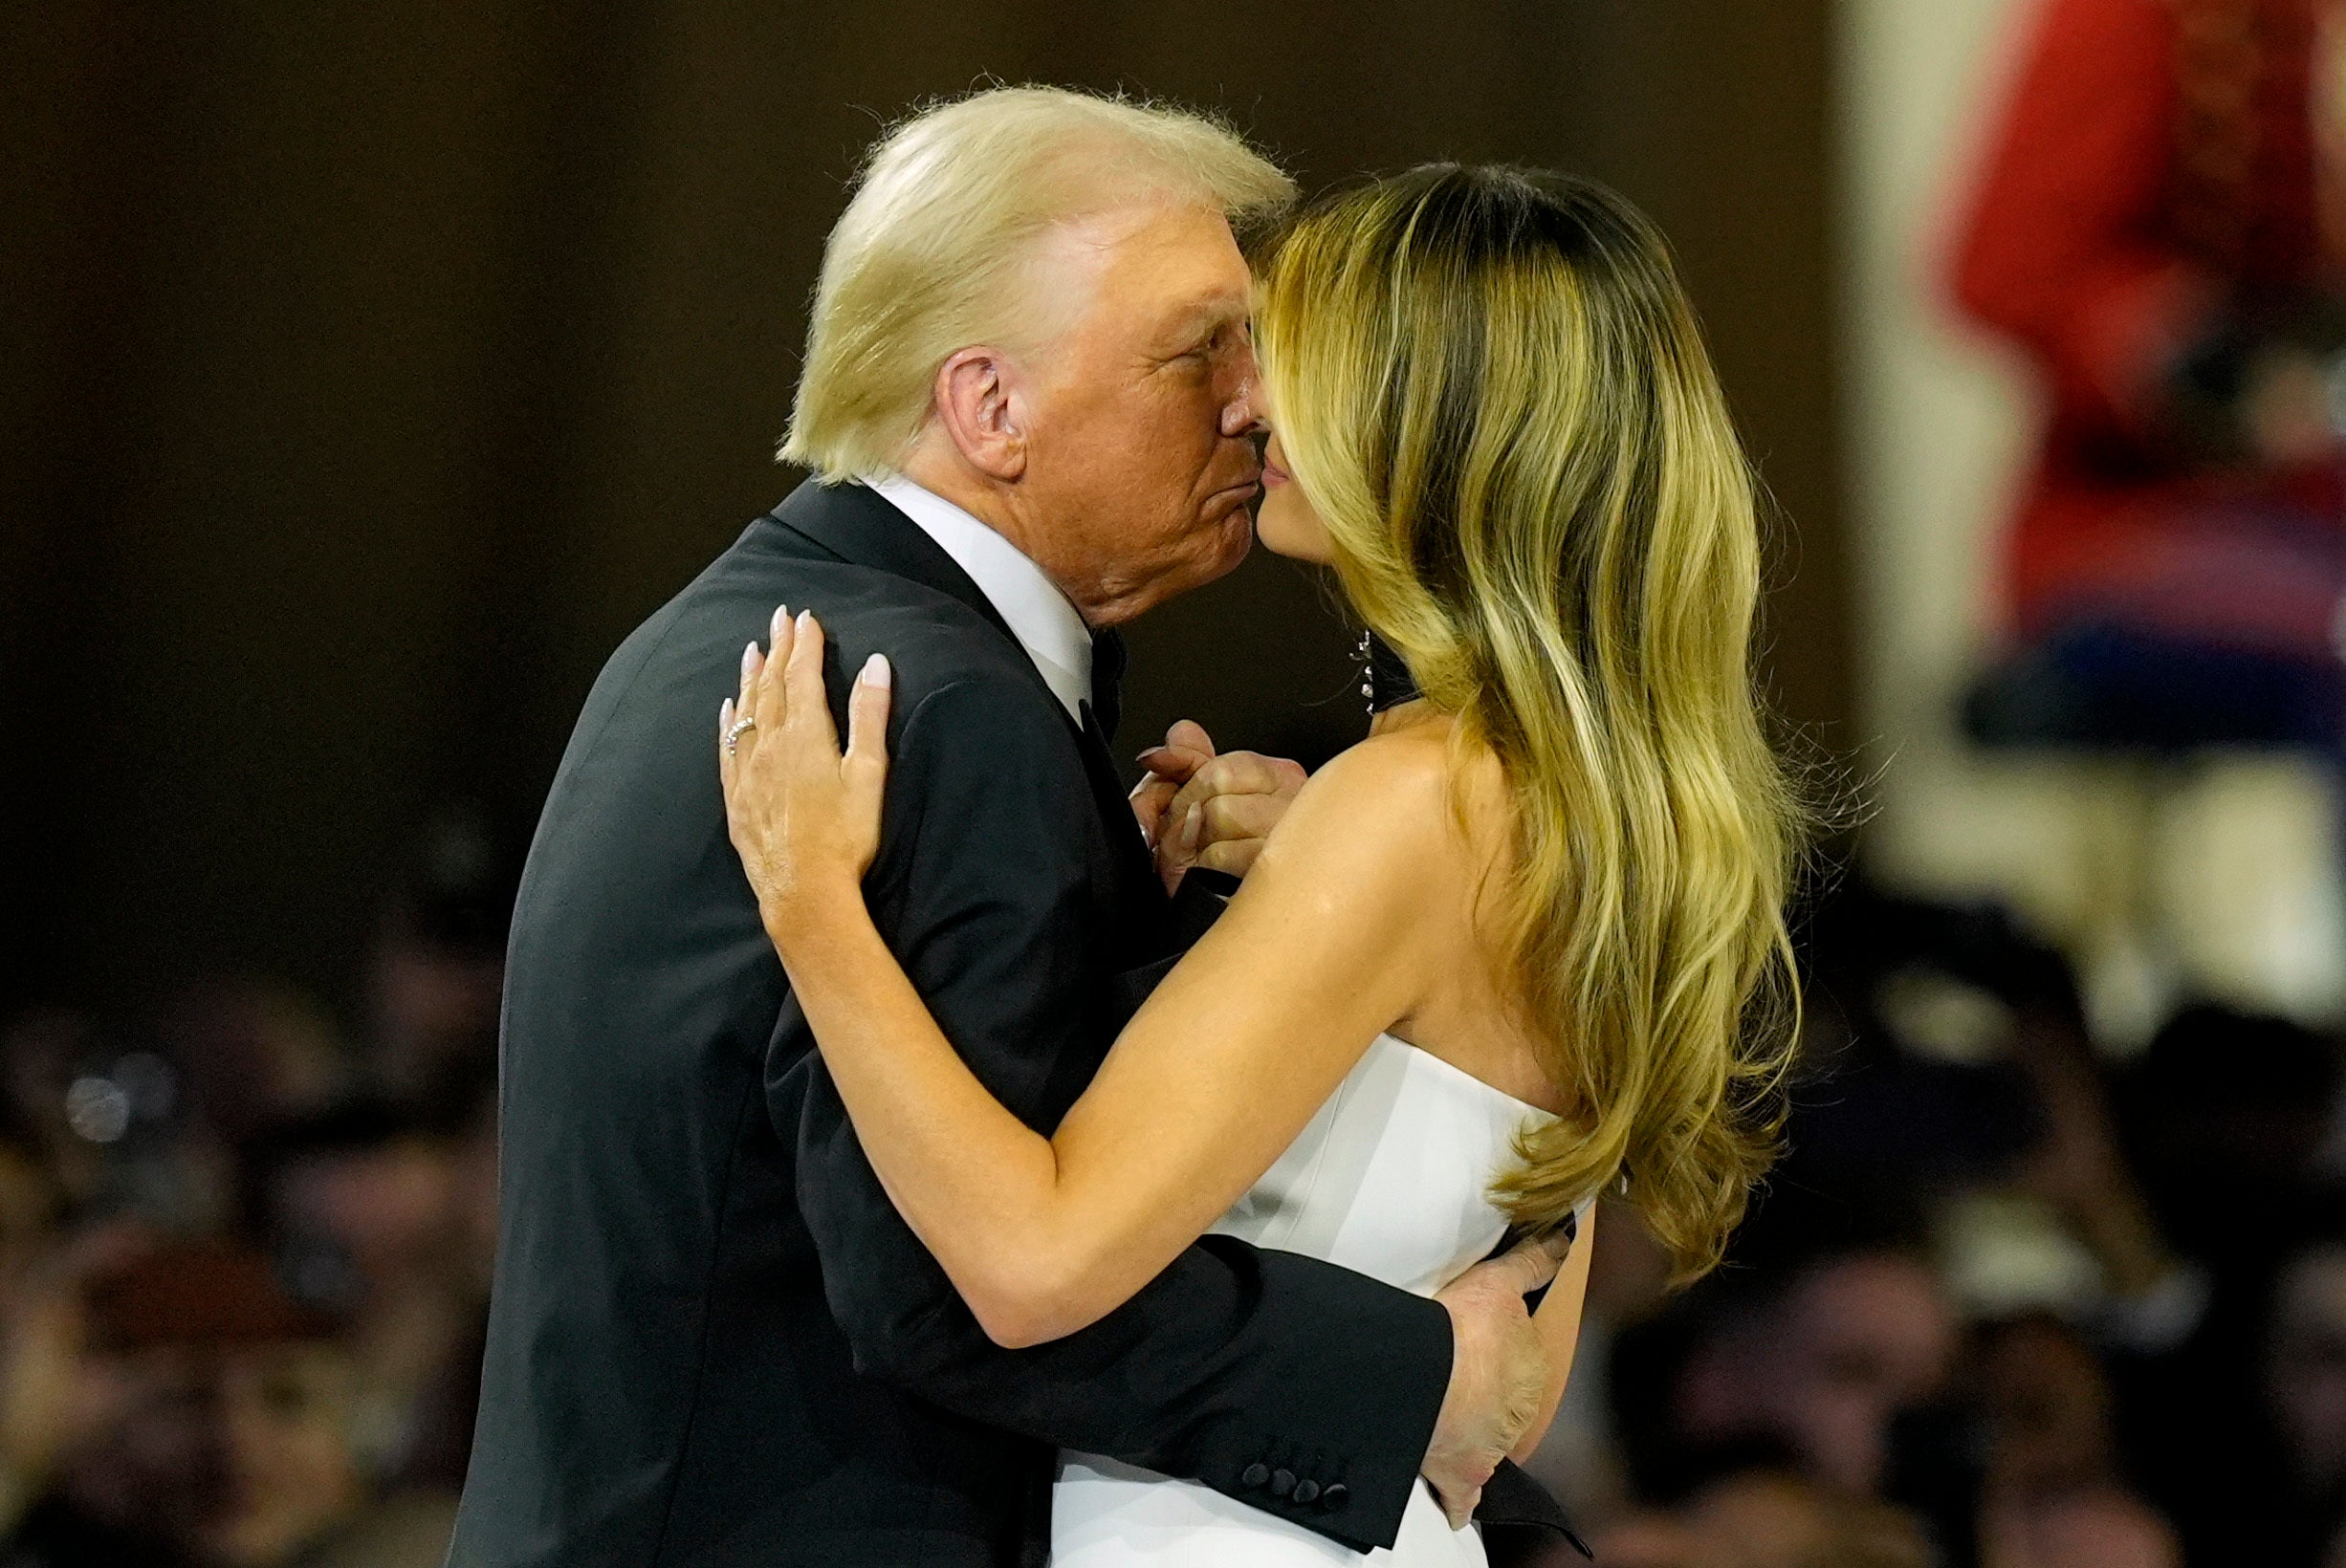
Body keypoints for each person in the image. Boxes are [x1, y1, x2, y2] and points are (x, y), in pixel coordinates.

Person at [449, 89, 1569, 1568]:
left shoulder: (753, 626)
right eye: (1198, 350)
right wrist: (1421, 1379)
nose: (1255, 397)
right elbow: (947, 1279)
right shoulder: (923, 700)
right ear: (989, 407)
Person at [716, 164, 1806, 1564]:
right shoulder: (1557, 805)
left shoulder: (1406, 809)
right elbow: (1508, 1403)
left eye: (1288, 354)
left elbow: (1031, 1267)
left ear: (1422, 411)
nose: (1246, 402)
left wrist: (816, 909)